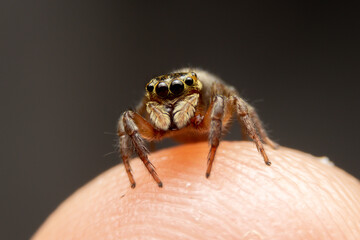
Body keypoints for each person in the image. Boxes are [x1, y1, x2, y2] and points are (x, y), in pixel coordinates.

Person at [32, 141, 360, 239]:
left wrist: (260, 143)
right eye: (160, 92)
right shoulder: (145, 114)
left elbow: (230, 98)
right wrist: (138, 172)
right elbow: (128, 124)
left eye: (183, 89)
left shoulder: (209, 99)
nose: (173, 97)